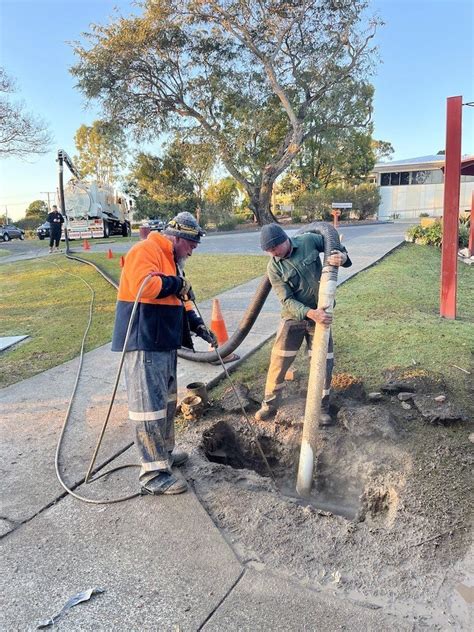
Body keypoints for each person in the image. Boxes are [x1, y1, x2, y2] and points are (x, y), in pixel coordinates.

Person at [111, 212, 217, 495]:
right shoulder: (145, 250)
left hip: (163, 343)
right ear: (178, 238)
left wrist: (198, 325)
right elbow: (145, 286)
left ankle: (164, 456)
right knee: (149, 409)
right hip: (144, 341)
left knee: (167, 404)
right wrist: (176, 284)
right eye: (191, 245)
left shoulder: (172, 260)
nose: (192, 252)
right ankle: (152, 475)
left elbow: (179, 301)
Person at [255, 223, 352, 425]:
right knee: (279, 361)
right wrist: (310, 313)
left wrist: (342, 258)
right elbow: (286, 300)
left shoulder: (308, 241)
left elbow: (334, 245)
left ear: (284, 240)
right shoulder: (274, 266)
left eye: (274, 248)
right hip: (293, 317)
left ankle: (322, 408)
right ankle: (270, 404)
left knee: (322, 362)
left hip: (321, 314)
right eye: (269, 251)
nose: (273, 253)